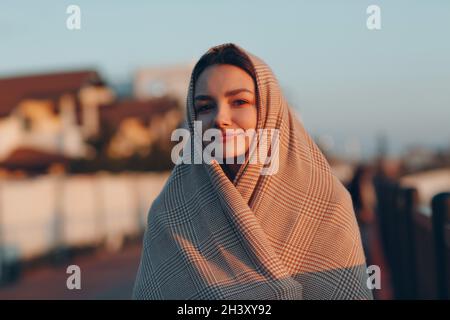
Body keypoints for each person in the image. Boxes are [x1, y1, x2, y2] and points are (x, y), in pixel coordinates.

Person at [132, 43, 372, 300]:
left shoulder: (325, 203)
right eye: (204, 107)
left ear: (270, 111)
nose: (220, 118)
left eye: (239, 101)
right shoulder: (169, 212)